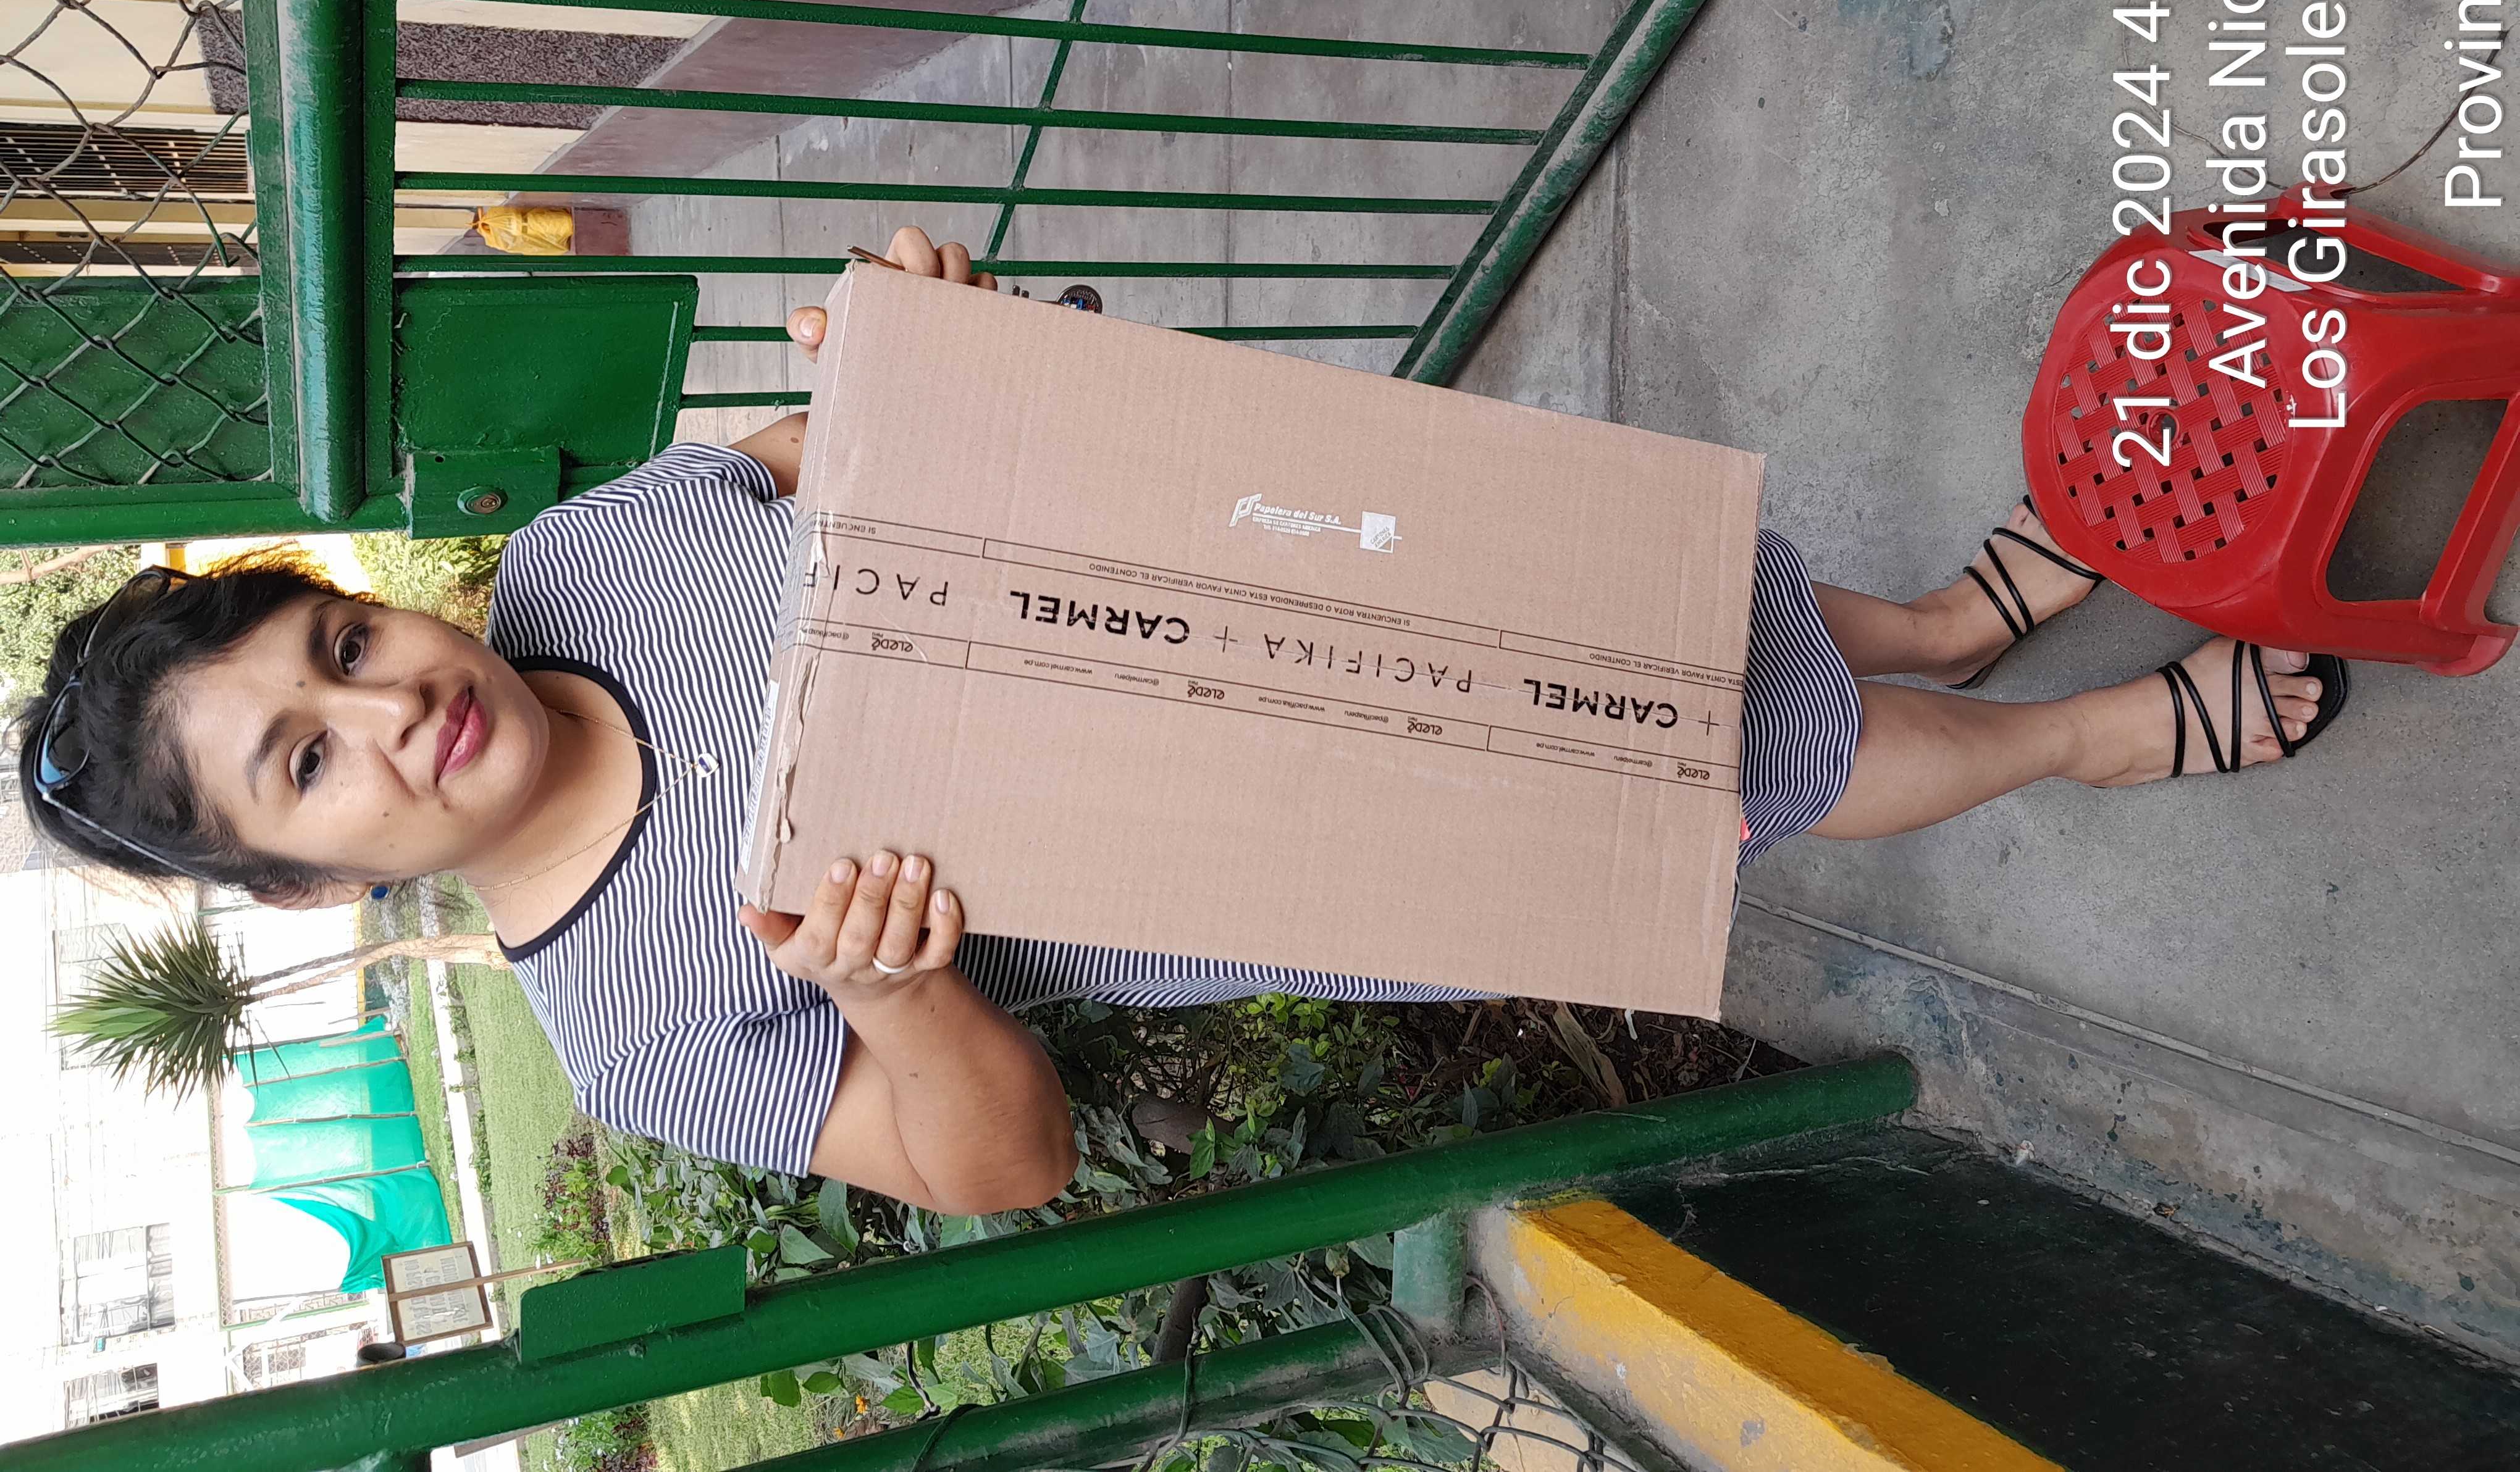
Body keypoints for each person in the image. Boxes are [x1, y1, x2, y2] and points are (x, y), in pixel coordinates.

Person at [15, 228, 2346, 1213]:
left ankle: (1941, 619)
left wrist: (925, 337)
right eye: (304, 763)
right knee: (1746, 765)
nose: (386, 709)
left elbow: (836, 454)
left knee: (1679, 599)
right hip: (1341, 827)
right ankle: (2069, 735)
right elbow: (998, 1166)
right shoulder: (630, 1024)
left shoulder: (577, 565)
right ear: (304, 884)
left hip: (1306, 577)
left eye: (335, 648)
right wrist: (900, 994)